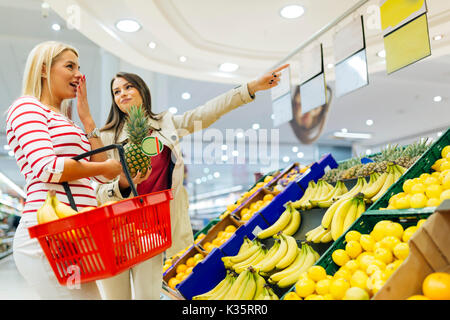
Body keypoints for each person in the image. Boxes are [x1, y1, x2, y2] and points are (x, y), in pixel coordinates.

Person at [96, 64, 289, 299]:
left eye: (129, 87)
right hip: (122, 228)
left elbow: (206, 112)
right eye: (116, 91)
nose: (123, 93)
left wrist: (250, 87)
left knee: (148, 296)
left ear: (142, 91)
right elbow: (98, 189)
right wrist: (122, 185)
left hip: (156, 230)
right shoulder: (107, 137)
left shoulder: (166, 124)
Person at [6, 41, 122, 299]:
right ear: (44, 69)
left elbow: (101, 175)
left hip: (73, 236)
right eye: (69, 66)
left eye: (79, 67)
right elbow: (48, 167)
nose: (78, 74)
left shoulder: (65, 120)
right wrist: (105, 166)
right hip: (46, 236)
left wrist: (87, 119)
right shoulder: (28, 107)